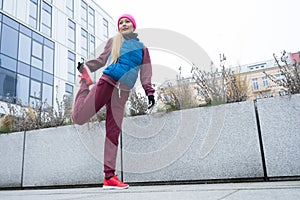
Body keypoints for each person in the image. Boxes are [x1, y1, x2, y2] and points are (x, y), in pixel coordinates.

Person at [72, 14, 155, 189]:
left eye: (127, 22)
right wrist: (85, 67)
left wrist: (150, 93)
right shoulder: (114, 41)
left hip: (122, 93)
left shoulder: (142, 48)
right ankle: (85, 85)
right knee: (79, 118)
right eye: (121, 23)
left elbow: (146, 73)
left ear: (133, 25)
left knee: (113, 133)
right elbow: (101, 60)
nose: (124, 24)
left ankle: (109, 177)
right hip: (107, 83)